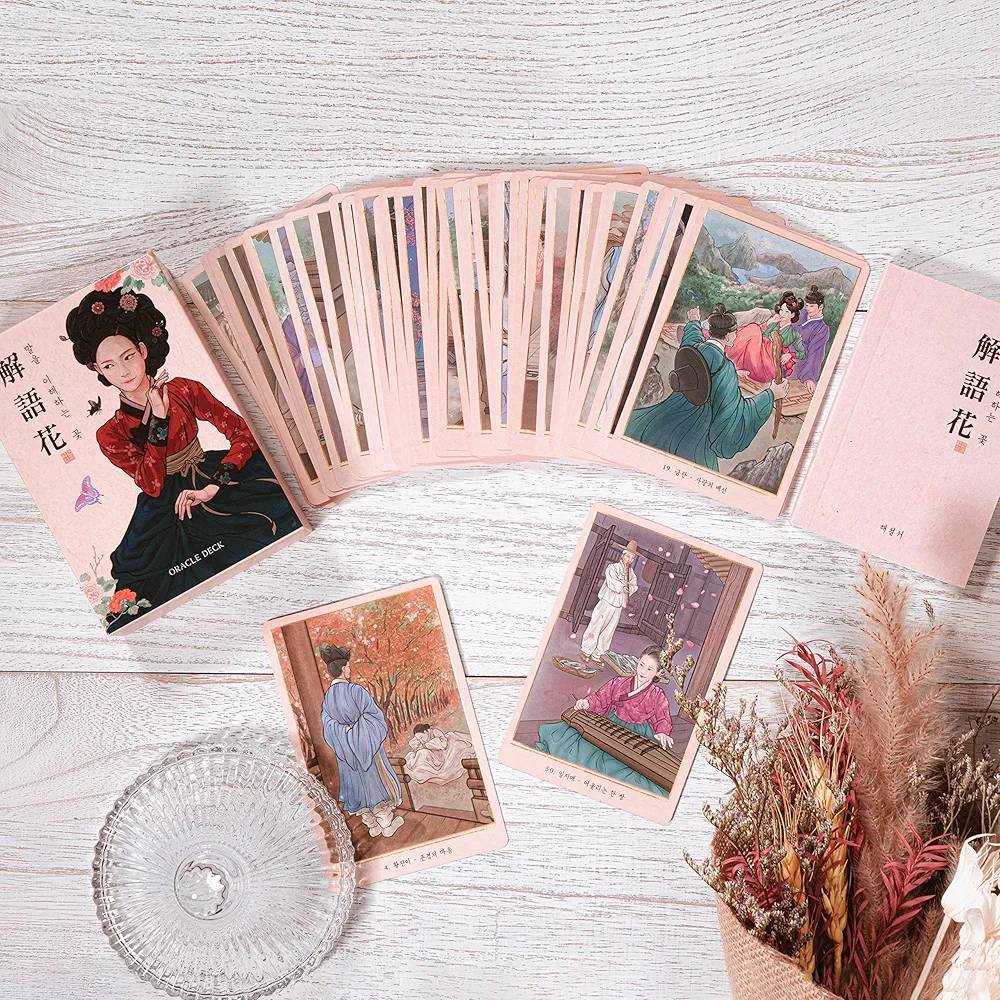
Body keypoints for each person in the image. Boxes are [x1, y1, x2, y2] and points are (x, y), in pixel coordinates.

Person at [65, 286, 302, 632]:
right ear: (97, 370)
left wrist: (213, 487)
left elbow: (243, 433)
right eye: (109, 365)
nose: (123, 371)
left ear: (143, 350)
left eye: (128, 356)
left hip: (212, 476)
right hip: (162, 506)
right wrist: (158, 421)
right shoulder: (111, 432)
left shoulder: (184, 389)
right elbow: (152, 483)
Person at [625, 304, 788, 470]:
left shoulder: (695, 348)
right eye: (735, 332)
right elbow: (735, 415)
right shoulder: (726, 369)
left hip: (668, 412)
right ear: (729, 336)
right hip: (696, 429)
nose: (736, 335)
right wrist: (770, 395)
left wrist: (694, 321)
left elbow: (691, 338)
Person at [535, 646, 675, 797]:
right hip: (612, 725)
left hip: (638, 734)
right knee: (585, 750)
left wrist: (662, 732)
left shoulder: (657, 695)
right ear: (638, 661)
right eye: (641, 665)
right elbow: (601, 697)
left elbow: (662, 717)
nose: (643, 671)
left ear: (658, 673)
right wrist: (586, 703)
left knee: (629, 769)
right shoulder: (619, 682)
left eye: (649, 669)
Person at [318, 643, 404, 838]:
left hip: (346, 753)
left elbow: (328, 726)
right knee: (375, 782)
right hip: (366, 746)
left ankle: (371, 825)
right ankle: (386, 823)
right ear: (343, 668)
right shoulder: (356, 691)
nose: (349, 670)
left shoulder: (328, 698)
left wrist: (345, 735)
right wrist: (358, 734)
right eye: (348, 666)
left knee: (356, 786)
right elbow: (375, 716)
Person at [725, 291, 806, 383]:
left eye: (786, 311)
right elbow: (759, 333)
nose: (782, 314)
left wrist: (790, 355)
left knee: (754, 329)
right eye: (781, 310)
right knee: (753, 328)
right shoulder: (774, 322)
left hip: (768, 360)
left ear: (793, 315)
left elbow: (802, 354)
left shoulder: (794, 334)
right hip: (756, 349)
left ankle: (730, 357)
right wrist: (769, 323)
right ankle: (729, 356)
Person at [580, 540, 639, 662]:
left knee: (609, 630)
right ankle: (586, 650)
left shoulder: (631, 573)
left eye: (632, 558)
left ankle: (597, 653)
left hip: (618, 605)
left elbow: (634, 586)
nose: (629, 560)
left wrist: (630, 588)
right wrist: (623, 587)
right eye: (628, 556)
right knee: (596, 625)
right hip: (606, 602)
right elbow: (612, 583)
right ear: (622, 555)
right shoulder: (612, 568)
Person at [403, 723, 475, 785]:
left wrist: (427, 745)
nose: (421, 740)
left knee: (424, 753)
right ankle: (415, 766)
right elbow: (412, 743)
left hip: (443, 752)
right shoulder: (421, 738)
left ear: (426, 732)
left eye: (421, 737)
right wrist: (421, 740)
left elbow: (443, 745)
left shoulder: (435, 732)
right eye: (419, 739)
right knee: (419, 754)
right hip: (433, 754)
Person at [790, 285, 831, 388]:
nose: (808, 309)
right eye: (807, 305)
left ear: (820, 307)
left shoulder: (822, 329)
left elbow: (815, 354)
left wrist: (808, 377)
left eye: (812, 306)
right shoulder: (801, 314)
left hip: (798, 362)